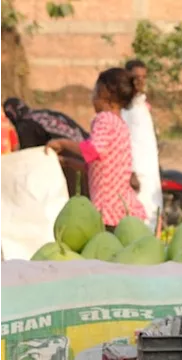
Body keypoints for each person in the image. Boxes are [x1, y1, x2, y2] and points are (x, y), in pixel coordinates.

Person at [45, 68, 145, 229]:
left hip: (109, 211)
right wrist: (68, 162)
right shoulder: (119, 124)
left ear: (105, 94)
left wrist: (64, 144)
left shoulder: (104, 119)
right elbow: (99, 166)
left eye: (95, 92)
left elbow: (91, 151)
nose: (92, 98)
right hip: (123, 208)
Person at [121, 59, 163, 231]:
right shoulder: (125, 108)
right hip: (136, 174)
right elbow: (124, 141)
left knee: (153, 215)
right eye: (135, 77)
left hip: (150, 171)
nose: (140, 81)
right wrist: (130, 172)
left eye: (143, 77)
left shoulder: (142, 105)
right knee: (139, 219)